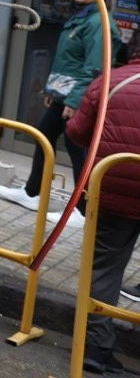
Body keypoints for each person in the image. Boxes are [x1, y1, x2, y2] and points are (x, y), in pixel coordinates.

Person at [0, 0, 117, 227]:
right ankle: (32, 193)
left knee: (78, 151)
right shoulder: (83, 18)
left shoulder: (97, 22)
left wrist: (75, 101)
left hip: (79, 98)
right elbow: (68, 62)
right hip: (65, 96)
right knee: (45, 137)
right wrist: (54, 91)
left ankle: (84, 211)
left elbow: (94, 68)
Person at [67, 58, 140, 376]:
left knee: (104, 267)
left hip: (110, 187)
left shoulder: (109, 80)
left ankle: (95, 348)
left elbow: (78, 131)